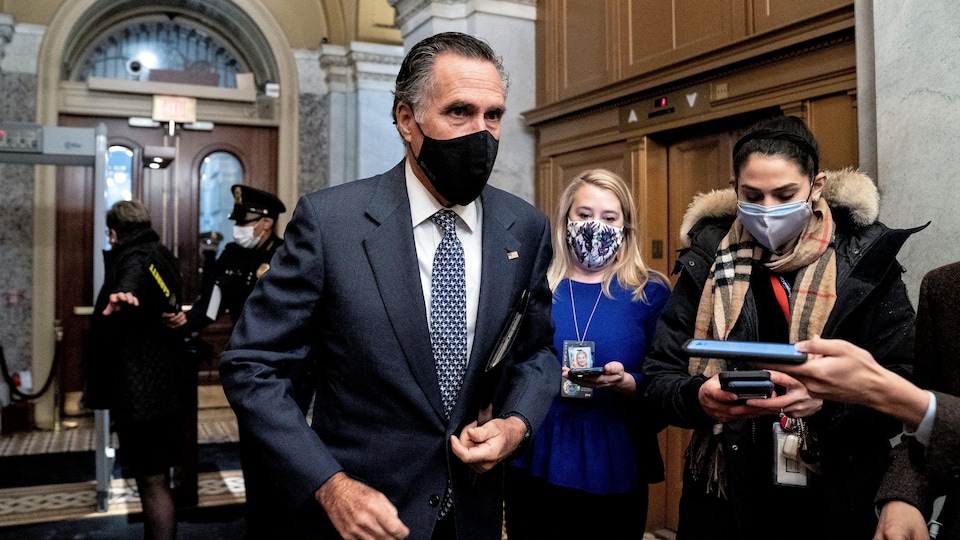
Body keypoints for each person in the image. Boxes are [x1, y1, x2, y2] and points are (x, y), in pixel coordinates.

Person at [218, 32, 558, 540]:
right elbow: (252, 366)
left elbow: (536, 353)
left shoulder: (524, 228)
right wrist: (329, 484)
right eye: (459, 112)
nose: (481, 133)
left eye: (494, 115)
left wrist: (516, 424)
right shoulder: (331, 224)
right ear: (406, 120)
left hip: (472, 513)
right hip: (362, 514)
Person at [640, 115, 926, 539]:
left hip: (836, 494)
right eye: (752, 195)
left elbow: (906, 386)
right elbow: (658, 380)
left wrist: (825, 404)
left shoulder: (866, 264)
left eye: (785, 194)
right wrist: (698, 396)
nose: (768, 210)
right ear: (735, 188)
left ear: (817, 185)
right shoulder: (707, 261)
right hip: (726, 497)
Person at [505, 169, 671, 539]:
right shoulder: (535, 284)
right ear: (566, 219)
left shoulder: (650, 292)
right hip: (539, 448)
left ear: (625, 228)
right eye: (584, 214)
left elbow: (667, 380)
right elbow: (508, 362)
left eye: (609, 218)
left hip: (613, 451)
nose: (595, 226)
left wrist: (628, 383)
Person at [774, 261, 960, 539]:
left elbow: (923, 412)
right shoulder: (944, 286)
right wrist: (904, 496)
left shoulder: (873, 262)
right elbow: (922, 435)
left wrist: (881, 390)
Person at [165, 184, 294, 539]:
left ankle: (285, 522)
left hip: (289, 367)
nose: (239, 228)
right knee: (252, 446)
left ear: (266, 222)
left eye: (246, 221)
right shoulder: (230, 255)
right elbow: (211, 305)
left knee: (285, 447)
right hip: (249, 365)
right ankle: (259, 524)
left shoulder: (288, 255)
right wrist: (184, 321)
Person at [82, 200, 191, 540]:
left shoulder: (134, 257)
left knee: (152, 481)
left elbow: (131, 279)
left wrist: (123, 294)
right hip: (165, 385)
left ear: (114, 232)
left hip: (142, 392)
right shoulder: (162, 253)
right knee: (157, 479)